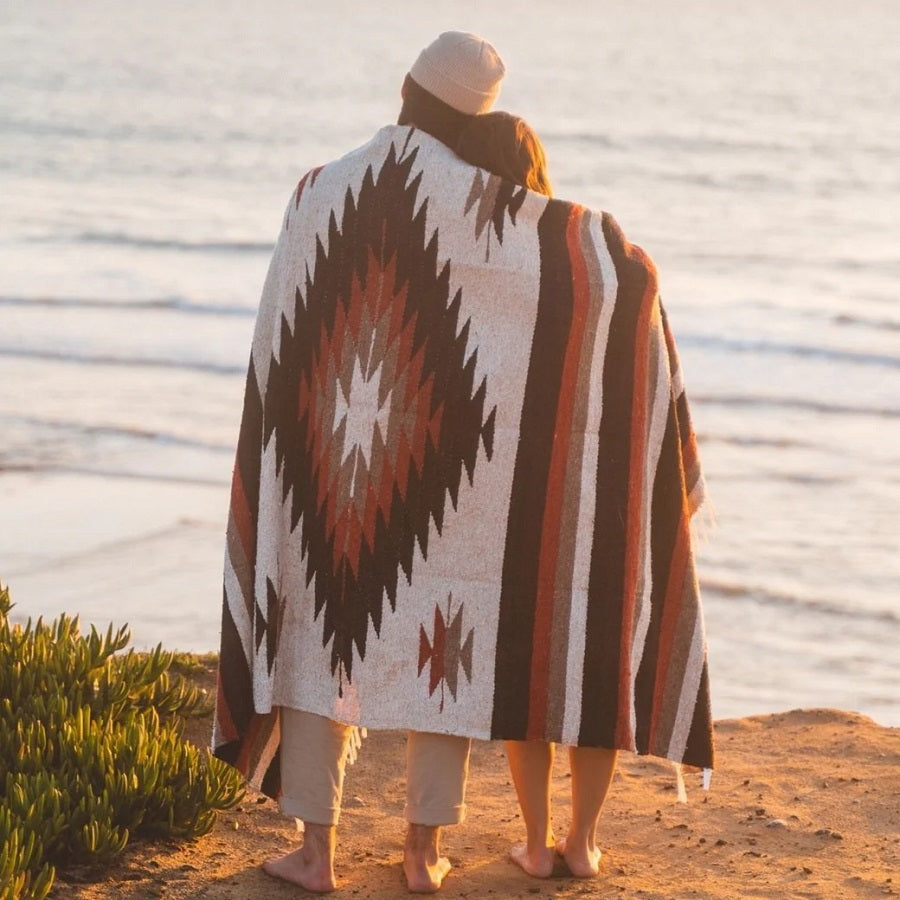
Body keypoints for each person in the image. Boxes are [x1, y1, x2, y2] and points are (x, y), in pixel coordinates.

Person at [214, 28, 714, 896]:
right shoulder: (479, 202)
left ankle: (314, 852)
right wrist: (632, 274)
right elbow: (560, 276)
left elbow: (279, 341)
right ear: (469, 115)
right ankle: (419, 853)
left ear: (406, 93)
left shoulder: (316, 190)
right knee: (436, 630)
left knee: (310, 631)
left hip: (316, 462)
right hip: (432, 475)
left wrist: (298, 443)